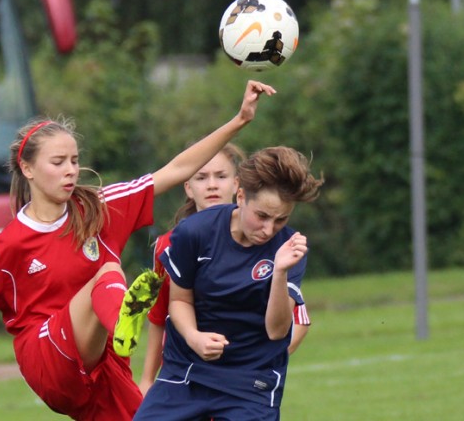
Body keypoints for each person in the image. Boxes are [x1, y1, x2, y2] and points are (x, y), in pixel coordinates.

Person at [0, 80, 276, 421]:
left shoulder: (99, 208)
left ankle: (121, 326)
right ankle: (124, 321)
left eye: (74, 161)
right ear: (27, 169)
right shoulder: (5, 246)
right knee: (107, 274)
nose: (71, 170)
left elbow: (174, 169)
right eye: (58, 162)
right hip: (47, 360)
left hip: (104, 367)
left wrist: (239, 120)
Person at [133, 146, 324, 420]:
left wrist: (280, 272)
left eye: (281, 219)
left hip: (250, 385)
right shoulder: (194, 232)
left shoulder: (289, 248)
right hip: (187, 373)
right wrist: (194, 337)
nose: (269, 229)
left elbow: (277, 330)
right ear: (241, 196)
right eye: (262, 216)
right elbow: (178, 300)